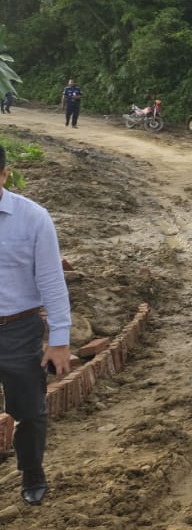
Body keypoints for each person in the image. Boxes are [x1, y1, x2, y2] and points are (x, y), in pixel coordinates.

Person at [0, 145, 72, 506]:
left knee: (29, 410)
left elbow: (51, 280)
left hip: (18, 328)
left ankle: (31, 472)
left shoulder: (33, 218)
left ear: (4, 175)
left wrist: (59, 339)